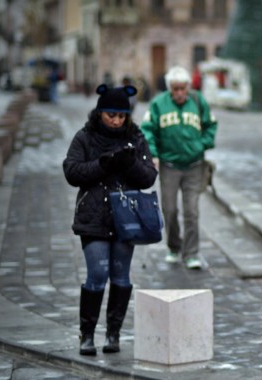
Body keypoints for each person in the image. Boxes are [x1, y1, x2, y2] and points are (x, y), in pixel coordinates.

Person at [63, 84, 158, 356]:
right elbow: (71, 171)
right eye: (111, 115)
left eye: (121, 116)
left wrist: (129, 164)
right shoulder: (85, 137)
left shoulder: (136, 137)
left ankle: (113, 333)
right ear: (100, 113)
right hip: (93, 216)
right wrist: (102, 164)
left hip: (125, 217)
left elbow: (149, 176)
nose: (116, 121)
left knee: (121, 276)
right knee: (97, 274)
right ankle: (87, 334)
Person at [140, 66, 218, 270]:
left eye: (183, 88)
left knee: (191, 211)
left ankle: (191, 253)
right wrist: (154, 154)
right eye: (175, 89)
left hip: (194, 165)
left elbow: (211, 125)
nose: (180, 93)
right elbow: (148, 130)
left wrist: (202, 144)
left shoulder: (198, 101)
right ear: (169, 89)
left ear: (188, 87)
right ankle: (174, 246)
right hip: (169, 166)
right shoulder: (158, 104)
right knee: (170, 210)